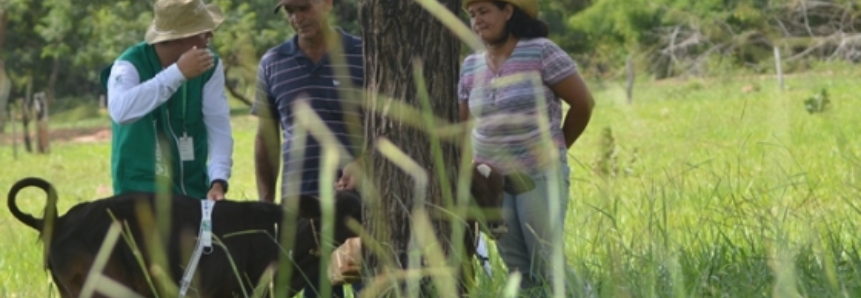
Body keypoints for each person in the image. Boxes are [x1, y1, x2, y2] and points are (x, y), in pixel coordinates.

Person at [458, 0, 595, 296]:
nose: (477, 20)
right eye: (472, 15)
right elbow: (462, 126)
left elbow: (584, 104)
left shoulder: (540, 52)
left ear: (508, 11)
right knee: (518, 269)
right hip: (492, 182)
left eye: (484, 11)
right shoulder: (470, 67)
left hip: (539, 174)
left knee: (546, 261)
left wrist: (557, 149)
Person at [252, 0, 365, 296]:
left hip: (364, 204)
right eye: (289, 11)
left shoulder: (363, 54)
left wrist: (365, 162)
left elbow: (390, 124)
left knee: (378, 287)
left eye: (304, 7)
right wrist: (266, 205)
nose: (297, 18)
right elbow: (266, 138)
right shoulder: (273, 62)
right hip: (303, 210)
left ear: (327, 3)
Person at [100, 0, 233, 200]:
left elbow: (218, 125)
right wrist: (177, 73)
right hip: (140, 195)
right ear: (180, 37)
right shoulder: (128, 64)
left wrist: (218, 180)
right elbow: (120, 112)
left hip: (193, 191)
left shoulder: (209, 65)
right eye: (203, 30)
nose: (211, 35)